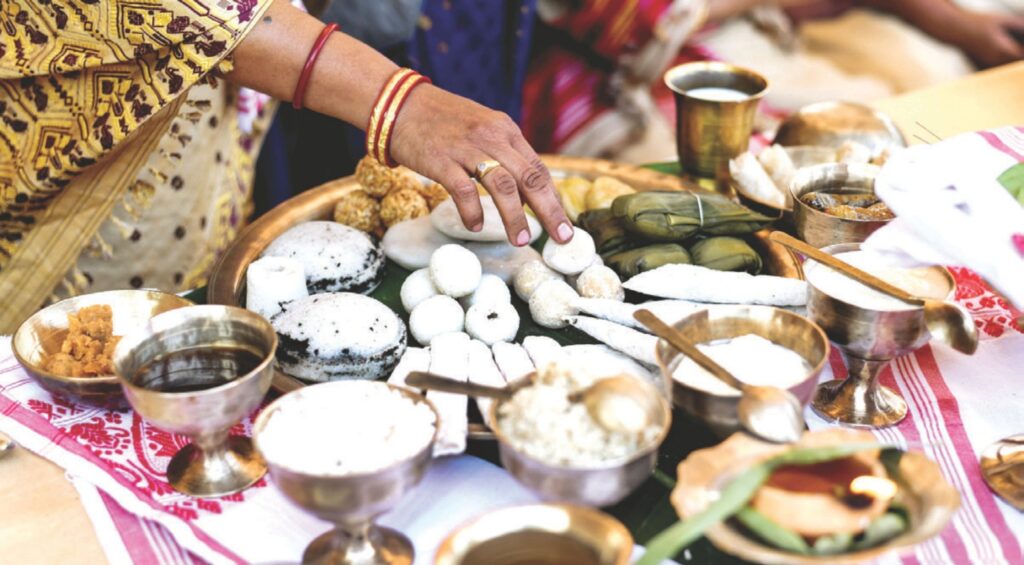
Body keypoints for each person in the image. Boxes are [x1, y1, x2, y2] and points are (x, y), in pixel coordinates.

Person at [0, 0, 572, 332]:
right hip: (70, 183)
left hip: (204, 130)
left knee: (191, 319)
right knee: (84, 356)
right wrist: (399, 103)